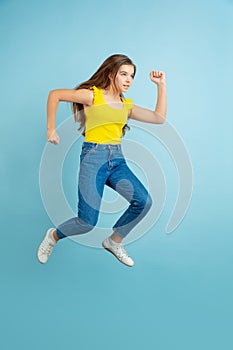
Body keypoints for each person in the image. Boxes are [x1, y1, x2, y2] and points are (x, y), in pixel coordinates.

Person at [37, 54, 167, 267]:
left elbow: (158, 118)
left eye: (132, 76)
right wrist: (51, 129)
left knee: (144, 202)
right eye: (123, 74)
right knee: (86, 222)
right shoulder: (92, 96)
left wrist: (161, 85)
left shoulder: (126, 106)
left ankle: (114, 241)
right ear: (110, 74)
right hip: (93, 159)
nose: (128, 80)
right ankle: (53, 236)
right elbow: (55, 95)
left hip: (117, 161)